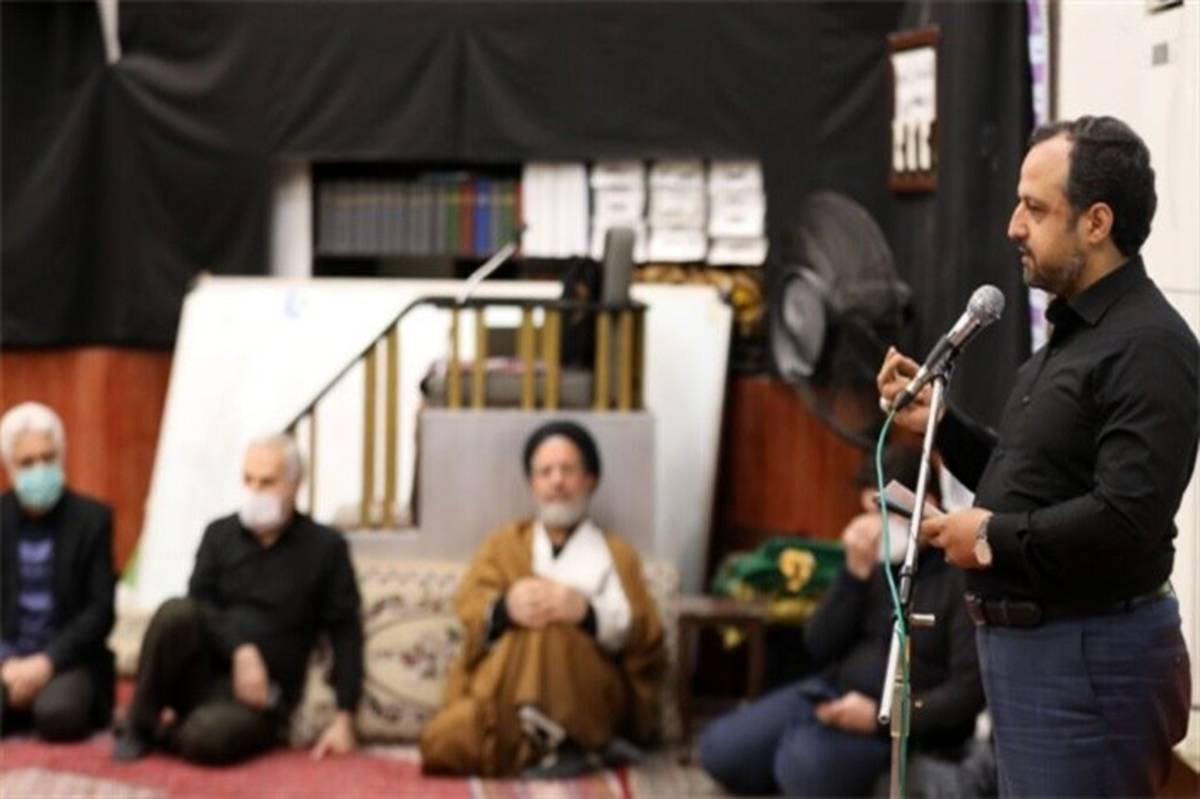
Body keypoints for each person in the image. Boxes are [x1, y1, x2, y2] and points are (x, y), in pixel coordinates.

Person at [878, 115, 1196, 796]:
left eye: (1035, 208)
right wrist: (940, 425)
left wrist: (989, 536)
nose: (1013, 226)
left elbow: (1127, 517)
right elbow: (1033, 479)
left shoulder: (1150, 346)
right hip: (1039, 657)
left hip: (1088, 658)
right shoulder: (1076, 335)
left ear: (1097, 222)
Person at [698, 445, 986, 797]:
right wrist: (852, 576)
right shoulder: (874, 562)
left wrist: (881, 717)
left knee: (801, 765)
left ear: (924, 504)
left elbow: (966, 694)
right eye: (868, 512)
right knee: (719, 749)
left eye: (884, 512)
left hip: (903, 728)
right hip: (834, 693)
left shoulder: (958, 576)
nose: (874, 526)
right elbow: (818, 643)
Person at [420, 420, 666, 777]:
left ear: (590, 480)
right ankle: (559, 745)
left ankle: (562, 739)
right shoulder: (504, 545)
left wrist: (586, 615)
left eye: (568, 470)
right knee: (441, 744)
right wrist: (505, 609)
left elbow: (644, 637)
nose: (557, 482)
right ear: (532, 484)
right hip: (504, 690)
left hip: (588, 694)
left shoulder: (617, 554)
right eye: (545, 472)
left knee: (550, 632)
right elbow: (472, 613)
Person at [113, 433, 363, 764]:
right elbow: (197, 605)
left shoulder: (326, 548)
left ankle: (172, 732)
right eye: (249, 479)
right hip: (204, 671)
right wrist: (241, 649)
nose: (255, 491)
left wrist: (345, 717)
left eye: (267, 482)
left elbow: (346, 632)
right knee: (175, 611)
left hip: (260, 696)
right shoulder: (219, 534)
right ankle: (139, 725)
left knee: (206, 738)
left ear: (295, 485)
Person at [1, 402, 116, 741]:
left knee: (58, 714)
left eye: (47, 458)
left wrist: (46, 662)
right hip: (8, 659)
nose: (39, 469)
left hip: (68, 659)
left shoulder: (93, 519)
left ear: (61, 457)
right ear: (10, 468)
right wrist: (7, 665)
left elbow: (100, 611)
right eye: (27, 462)